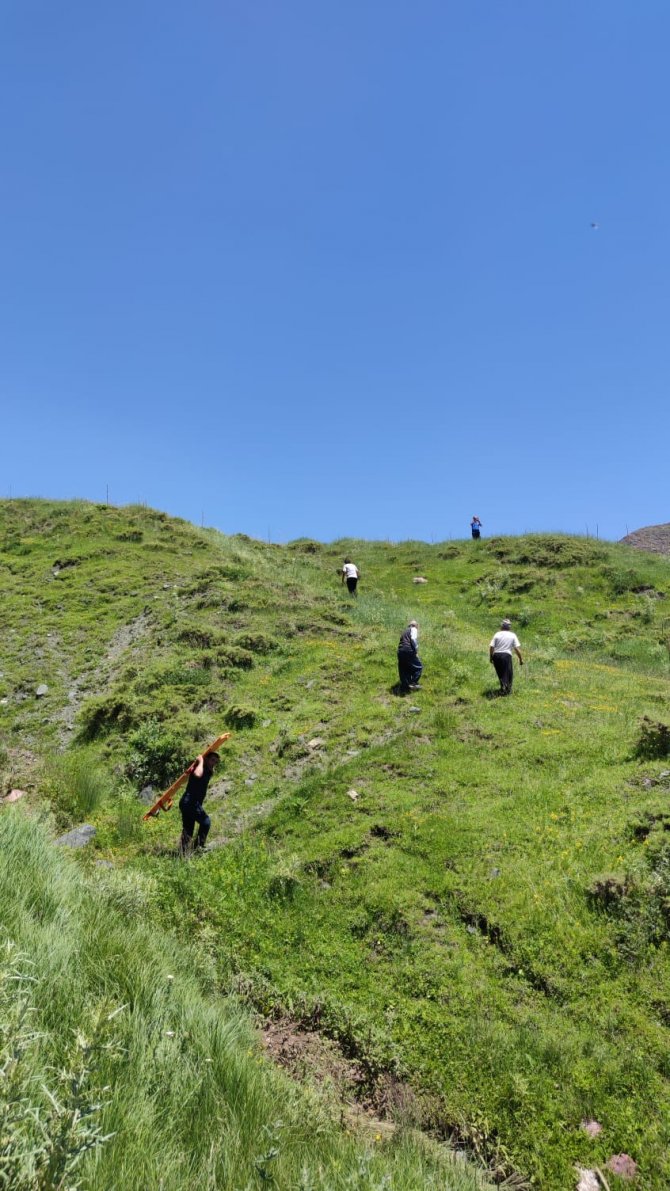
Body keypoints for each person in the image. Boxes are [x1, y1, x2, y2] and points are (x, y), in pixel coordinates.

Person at [179, 751, 220, 853]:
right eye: (212, 760)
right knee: (206, 822)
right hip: (189, 802)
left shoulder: (208, 771)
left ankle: (183, 853)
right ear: (206, 759)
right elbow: (197, 774)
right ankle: (198, 847)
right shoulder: (198, 768)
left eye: (216, 762)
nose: (213, 763)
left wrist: (207, 763)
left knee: (188, 829)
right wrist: (201, 760)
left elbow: (210, 771)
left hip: (190, 803)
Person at [489, 618, 523, 695]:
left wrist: (491, 657)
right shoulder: (512, 635)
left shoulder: (497, 634)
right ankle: (506, 690)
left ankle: (503, 688)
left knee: (500, 673)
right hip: (506, 655)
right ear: (509, 627)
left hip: (496, 656)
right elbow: (516, 649)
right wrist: (520, 659)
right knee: (508, 673)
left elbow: (491, 647)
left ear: (502, 626)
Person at [397, 620, 423, 692]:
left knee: (404, 669)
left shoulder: (404, 631)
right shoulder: (413, 629)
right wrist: (416, 648)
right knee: (418, 667)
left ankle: (405, 687)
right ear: (415, 625)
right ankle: (413, 683)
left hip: (400, 651)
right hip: (408, 650)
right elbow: (413, 639)